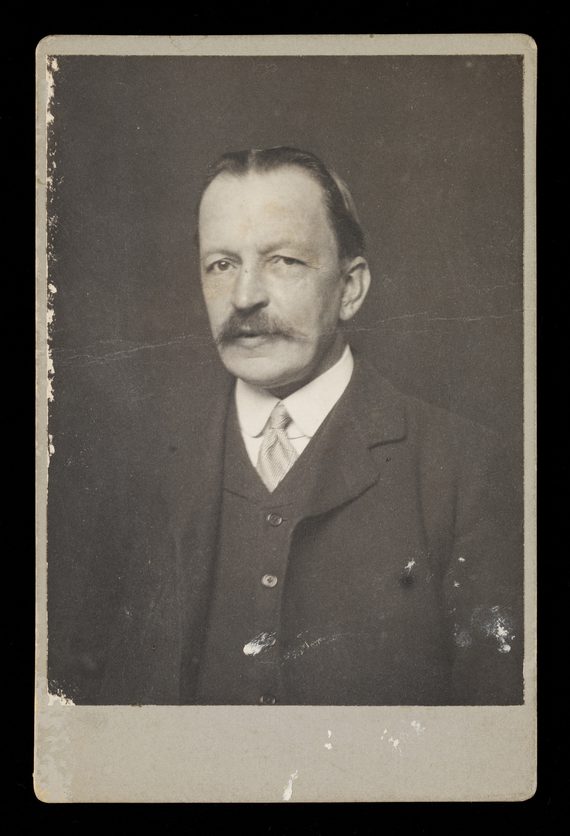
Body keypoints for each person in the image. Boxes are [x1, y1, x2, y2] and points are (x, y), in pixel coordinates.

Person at [48, 146, 524, 706]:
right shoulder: (141, 469)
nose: (244, 296)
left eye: (284, 261)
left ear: (350, 289)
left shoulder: (467, 470)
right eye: (222, 264)